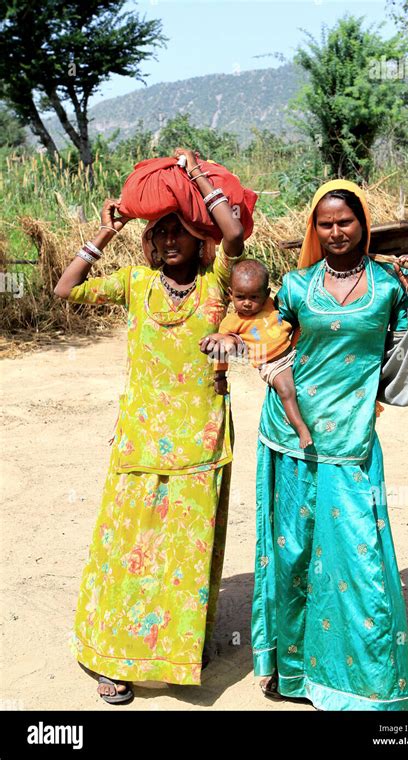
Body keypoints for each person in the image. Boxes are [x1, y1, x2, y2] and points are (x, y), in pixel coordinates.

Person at [54, 147, 245, 704]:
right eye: (158, 233)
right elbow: (66, 291)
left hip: (200, 441)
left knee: (184, 556)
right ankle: (116, 660)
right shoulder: (136, 284)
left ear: (197, 238)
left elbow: (235, 237)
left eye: (177, 232)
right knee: (129, 550)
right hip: (139, 441)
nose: (166, 242)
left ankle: (179, 648)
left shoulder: (216, 286)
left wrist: (195, 176)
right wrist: (105, 232)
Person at [251, 179, 408, 711]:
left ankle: (366, 691)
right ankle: (294, 673)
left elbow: (406, 359)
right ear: (314, 228)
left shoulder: (390, 285)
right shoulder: (296, 285)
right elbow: (265, 339)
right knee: (294, 554)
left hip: (351, 443)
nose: (335, 232)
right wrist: (240, 344)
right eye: (324, 223)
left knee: (360, 562)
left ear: (363, 224)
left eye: (345, 222)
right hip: (291, 440)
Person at [199, 258, 313, 448]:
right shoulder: (232, 322)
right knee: (287, 391)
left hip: (293, 350)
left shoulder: (271, 304)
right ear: (230, 294)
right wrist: (220, 376)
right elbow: (221, 353)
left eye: (253, 297)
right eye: (240, 297)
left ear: (266, 293)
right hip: (273, 364)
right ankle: (301, 430)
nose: (247, 303)